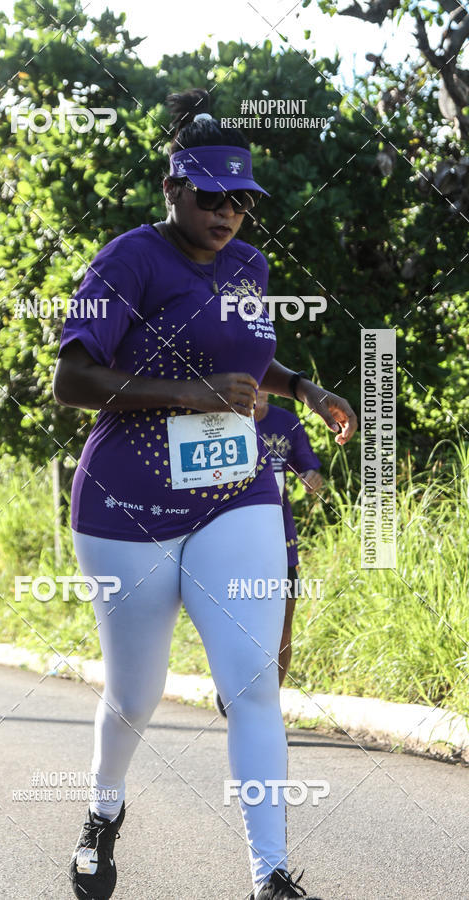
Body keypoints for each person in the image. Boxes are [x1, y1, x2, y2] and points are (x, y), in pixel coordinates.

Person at [53, 88, 357, 900]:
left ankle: (270, 876)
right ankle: (102, 811)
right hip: (128, 507)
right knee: (134, 696)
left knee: (253, 680)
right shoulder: (127, 260)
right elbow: (72, 379)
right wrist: (194, 395)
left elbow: (251, 365)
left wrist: (305, 390)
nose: (228, 215)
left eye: (241, 202)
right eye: (210, 197)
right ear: (173, 190)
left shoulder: (250, 266)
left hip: (236, 490)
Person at [214, 396, 323, 717]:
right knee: (233, 621)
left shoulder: (285, 422)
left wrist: (312, 478)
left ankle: (266, 707)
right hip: (230, 540)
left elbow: (308, 466)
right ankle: (231, 684)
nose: (256, 391)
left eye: (262, 383)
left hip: (280, 541)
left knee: (282, 625)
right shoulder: (215, 419)